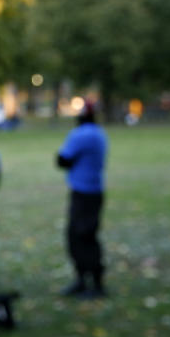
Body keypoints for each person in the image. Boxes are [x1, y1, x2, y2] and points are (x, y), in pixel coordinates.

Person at [57, 99, 108, 297]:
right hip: (95, 192)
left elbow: (62, 159)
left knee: (79, 238)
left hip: (83, 194)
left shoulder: (80, 135)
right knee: (87, 236)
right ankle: (87, 281)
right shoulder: (100, 133)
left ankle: (92, 284)